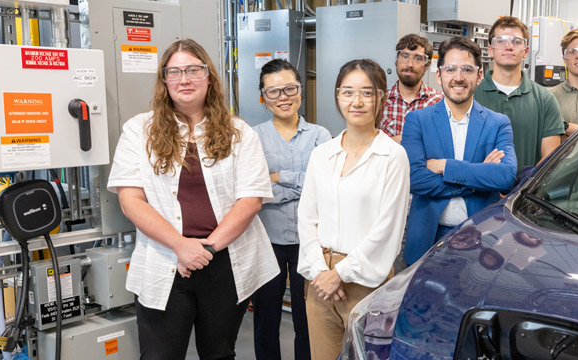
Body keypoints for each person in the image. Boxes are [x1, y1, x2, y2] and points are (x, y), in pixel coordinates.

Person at [107, 39, 278, 360]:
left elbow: (251, 200)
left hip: (225, 261)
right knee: (159, 355)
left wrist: (207, 248)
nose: (184, 79)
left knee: (219, 353)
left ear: (209, 77)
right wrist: (180, 245)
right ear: (164, 80)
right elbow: (131, 201)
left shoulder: (238, 132)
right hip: (165, 260)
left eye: (194, 70)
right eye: (175, 72)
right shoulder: (138, 131)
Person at [297, 59, 410, 360]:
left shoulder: (392, 156)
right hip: (318, 280)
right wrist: (322, 271)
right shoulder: (322, 154)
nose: (356, 101)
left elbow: (387, 231)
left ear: (382, 98)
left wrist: (341, 274)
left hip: (364, 283)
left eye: (367, 93)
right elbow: (306, 218)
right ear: (337, 96)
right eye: (347, 92)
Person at [401, 36, 517, 266]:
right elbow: (414, 178)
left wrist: (444, 166)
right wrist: (479, 178)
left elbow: (506, 177)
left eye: (467, 69)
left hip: (483, 237)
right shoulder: (417, 120)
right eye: (450, 69)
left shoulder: (498, 123)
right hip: (428, 237)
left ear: (479, 75)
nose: (458, 77)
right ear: (439, 75)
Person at [250, 59, 330, 360]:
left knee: (307, 319)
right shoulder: (252, 138)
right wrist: (300, 185)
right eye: (273, 92)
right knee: (265, 320)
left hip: (309, 241)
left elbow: (322, 186)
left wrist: (278, 178)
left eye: (289, 89)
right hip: (266, 239)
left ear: (300, 91)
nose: (283, 97)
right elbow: (253, 189)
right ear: (263, 97)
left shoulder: (320, 136)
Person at [474, 16, 564, 169]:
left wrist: (522, 189)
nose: (509, 46)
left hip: (528, 191)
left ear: (526, 51)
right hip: (478, 189)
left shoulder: (545, 99)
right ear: (490, 50)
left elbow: (549, 158)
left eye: (516, 41)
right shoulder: (472, 95)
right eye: (501, 41)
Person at [380, 34, 444, 143]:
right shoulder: (379, 101)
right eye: (405, 57)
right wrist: (390, 143)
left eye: (418, 58)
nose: (410, 64)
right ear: (396, 60)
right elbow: (365, 143)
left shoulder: (440, 102)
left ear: (427, 64)